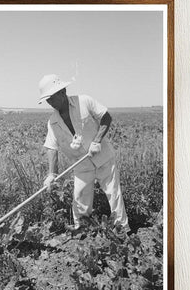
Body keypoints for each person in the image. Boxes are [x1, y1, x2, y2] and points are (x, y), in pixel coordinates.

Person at [39, 74, 130, 234]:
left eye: (52, 98)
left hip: (103, 158)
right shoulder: (52, 122)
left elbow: (106, 118)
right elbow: (51, 148)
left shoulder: (84, 101)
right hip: (81, 164)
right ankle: (83, 231)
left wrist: (97, 141)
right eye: (47, 100)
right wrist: (51, 174)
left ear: (62, 92)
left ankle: (123, 229)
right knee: (80, 198)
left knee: (113, 193)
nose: (50, 103)